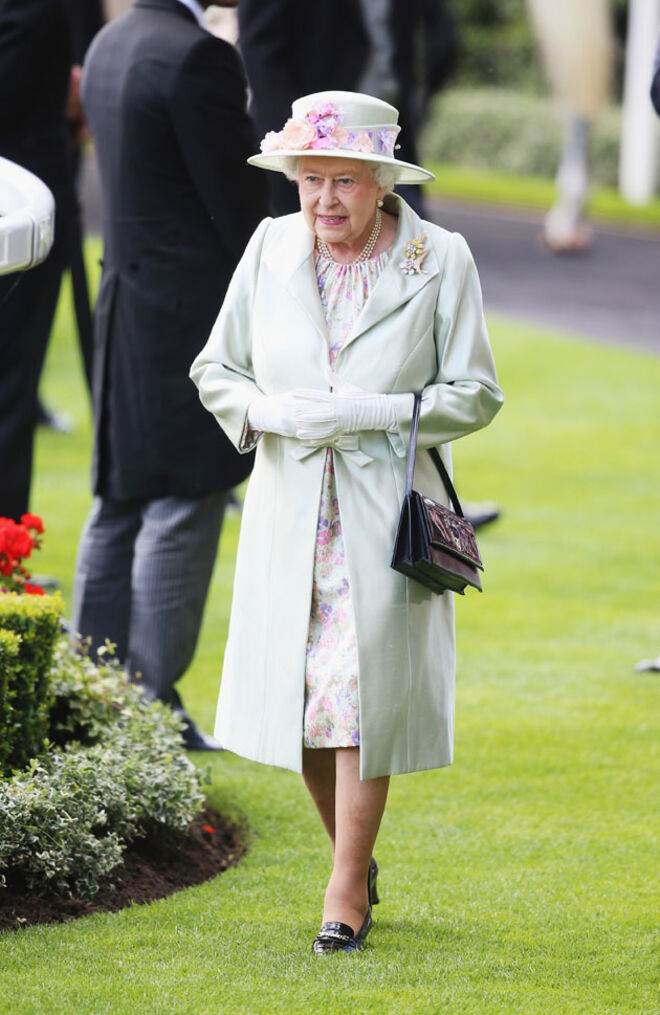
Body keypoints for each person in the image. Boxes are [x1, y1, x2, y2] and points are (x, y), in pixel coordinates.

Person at [190, 90, 503, 950]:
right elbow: (216, 368)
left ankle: (342, 893)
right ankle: (352, 859)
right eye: (310, 180)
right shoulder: (268, 248)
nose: (324, 200)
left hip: (382, 517)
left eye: (343, 182)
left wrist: (379, 412)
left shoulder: (441, 258)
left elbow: (476, 393)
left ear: (380, 182)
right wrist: (269, 413)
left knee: (358, 702)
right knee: (300, 709)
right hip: (291, 515)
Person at [71, 0, 268, 750]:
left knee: (120, 492)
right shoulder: (197, 56)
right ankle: (150, 703)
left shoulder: (113, 38)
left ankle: (90, 688)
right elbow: (238, 198)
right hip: (190, 313)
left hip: (121, 299)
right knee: (185, 495)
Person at [0, 0, 97, 519]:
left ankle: (7, 552)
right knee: (10, 387)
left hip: (31, 191)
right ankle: (4, 557)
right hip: (17, 204)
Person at [237, 0, 456, 217]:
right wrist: (298, 140)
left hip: (391, 140)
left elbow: (433, 35)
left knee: (414, 238)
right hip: (308, 153)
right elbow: (260, 49)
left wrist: (420, 101)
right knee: (306, 243)